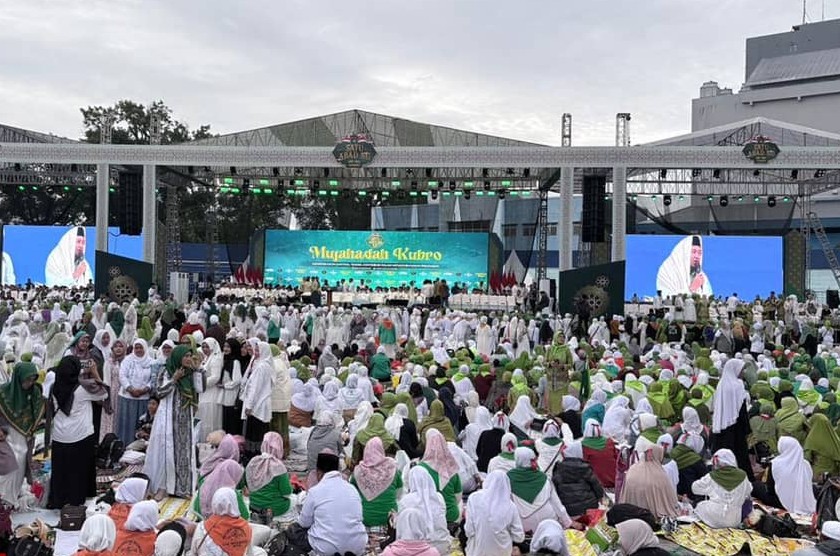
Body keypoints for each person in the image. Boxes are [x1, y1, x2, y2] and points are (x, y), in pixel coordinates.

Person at [144, 346, 204, 500]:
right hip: (167, 418)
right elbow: (159, 392)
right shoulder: (166, 370)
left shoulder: (191, 373)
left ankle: (182, 488)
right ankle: (163, 487)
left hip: (184, 419)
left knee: (183, 452)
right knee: (166, 451)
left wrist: (198, 370)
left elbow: (201, 388)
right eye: (186, 356)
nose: (189, 359)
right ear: (178, 357)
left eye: (191, 356)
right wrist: (174, 379)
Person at [47, 355, 108, 508]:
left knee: (61, 472)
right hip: (80, 436)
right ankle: (76, 501)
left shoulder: (54, 386)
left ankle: (59, 501)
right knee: (78, 472)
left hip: (60, 436)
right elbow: (104, 394)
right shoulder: (82, 388)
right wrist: (94, 372)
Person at [287, 451, 367, 556]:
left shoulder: (315, 491)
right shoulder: (352, 489)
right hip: (357, 546)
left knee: (294, 530)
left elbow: (303, 523)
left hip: (326, 549)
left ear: (319, 473)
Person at [0, 359, 43, 507]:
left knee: (22, 460)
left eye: (33, 379)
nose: (30, 383)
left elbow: (37, 410)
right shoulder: (3, 392)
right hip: (6, 434)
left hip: (24, 436)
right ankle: (4, 497)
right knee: (10, 463)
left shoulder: (34, 391)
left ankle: (11, 497)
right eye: (27, 379)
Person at [507, 447, 574, 533]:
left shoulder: (508, 480)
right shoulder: (544, 478)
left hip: (527, 527)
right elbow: (557, 504)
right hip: (550, 522)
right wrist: (568, 523)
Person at [711, 358, 753, 481]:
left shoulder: (721, 384)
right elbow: (742, 410)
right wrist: (747, 429)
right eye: (741, 370)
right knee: (739, 455)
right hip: (737, 427)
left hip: (722, 426)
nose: (743, 372)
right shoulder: (738, 386)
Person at [464, 470, 524, 556]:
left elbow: (469, 531)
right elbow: (519, 537)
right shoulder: (510, 506)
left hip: (477, 552)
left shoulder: (474, 498)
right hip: (503, 553)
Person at [397, 465, 451, 556]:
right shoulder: (439, 497)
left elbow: (404, 525)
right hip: (442, 544)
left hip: (419, 549)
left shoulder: (406, 500)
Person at [692, 449, 752, 528]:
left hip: (715, 517)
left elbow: (694, 488)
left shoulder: (712, 476)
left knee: (700, 506)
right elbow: (749, 490)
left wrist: (709, 490)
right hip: (735, 519)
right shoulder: (743, 475)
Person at [350, 437, 402, 527]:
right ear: (382, 451)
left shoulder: (358, 471)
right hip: (389, 519)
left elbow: (352, 493)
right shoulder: (392, 469)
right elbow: (399, 493)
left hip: (365, 518)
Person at [619, 445, 679, 518]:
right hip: (651, 516)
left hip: (629, 514)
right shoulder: (660, 475)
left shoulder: (632, 469)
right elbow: (669, 500)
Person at [245, 431, 292, 523]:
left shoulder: (253, 462)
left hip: (254, 505)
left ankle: (259, 514)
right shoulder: (279, 467)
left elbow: (248, 484)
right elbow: (286, 492)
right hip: (275, 508)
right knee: (293, 500)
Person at [191, 488, 252, 556]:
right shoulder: (246, 527)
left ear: (214, 503)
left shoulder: (202, 528)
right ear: (235, 502)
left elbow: (193, 552)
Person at [419, 429, 462, 524]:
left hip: (430, 519)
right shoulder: (452, 467)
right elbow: (458, 497)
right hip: (452, 517)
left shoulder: (420, 469)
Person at [552, 440, 604, 518]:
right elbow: (596, 485)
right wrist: (600, 497)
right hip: (589, 506)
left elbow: (556, 490)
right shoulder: (584, 467)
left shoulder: (558, 469)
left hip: (569, 509)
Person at [240, 341, 274, 457]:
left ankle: (253, 456)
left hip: (257, 405)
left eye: (259, 350)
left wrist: (249, 406)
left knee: (255, 432)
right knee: (259, 431)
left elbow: (255, 388)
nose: (256, 352)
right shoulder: (263, 365)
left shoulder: (261, 367)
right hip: (260, 404)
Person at [117, 339, 153, 446]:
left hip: (144, 398)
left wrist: (145, 389)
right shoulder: (127, 360)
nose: (138, 350)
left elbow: (153, 378)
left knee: (140, 424)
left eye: (140, 347)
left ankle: (139, 449)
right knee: (127, 424)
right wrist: (130, 389)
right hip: (127, 397)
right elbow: (122, 375)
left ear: (145, 348)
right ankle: (124, 447)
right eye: (136, 348)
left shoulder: (151, 362)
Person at [197, 338, 223, 441]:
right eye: (203, 346)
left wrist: (202, 383)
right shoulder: (206, 359)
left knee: (210, 419)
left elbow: (215, 377)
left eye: (207, 346)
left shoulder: (216, 359)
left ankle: (211, 441)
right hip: (204, 392)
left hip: (211, 393)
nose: (204, 349)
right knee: (203, 419)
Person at [804, 413, 840, 478]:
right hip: (833, 473)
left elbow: (806, 458)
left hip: (817, 474)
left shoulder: (811, 439)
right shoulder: (834, 437)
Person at [220, 339, 244, 434]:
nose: (225, 349)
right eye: (225, 346)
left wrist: (225, 385)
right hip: (226, 397)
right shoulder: (226, 360)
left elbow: (237, 380)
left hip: (232, 397)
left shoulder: (235, 362)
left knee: (231, 423)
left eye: (228, 347)